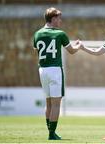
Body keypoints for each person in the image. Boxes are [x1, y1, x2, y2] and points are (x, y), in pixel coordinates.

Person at [33, 7, 81, 140]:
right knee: (56, 104)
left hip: (42, 70)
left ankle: (50, 131)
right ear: (53, 19)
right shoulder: (60, 34)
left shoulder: (37, 34)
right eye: (59, 18)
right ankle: (52, 134)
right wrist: (79, 46)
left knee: (48, 103)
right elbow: (71, 51)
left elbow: (36, 51)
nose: (60, 21)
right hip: (55, 70)